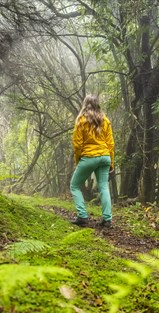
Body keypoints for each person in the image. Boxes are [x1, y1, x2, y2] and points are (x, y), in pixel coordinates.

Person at [70, 94, 114, 227]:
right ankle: (107, 220)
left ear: (85, 104)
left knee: (74, 185)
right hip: (105, 156)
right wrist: (111, 162)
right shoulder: (105, 120)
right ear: (97, 104)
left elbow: (77, 144)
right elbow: (110, 143)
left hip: (89, 157)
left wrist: (78, 160)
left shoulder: (81, 120)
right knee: (104, 187)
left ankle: (82, 217)